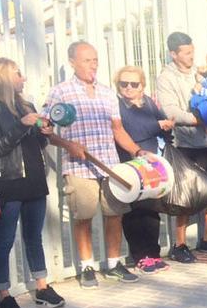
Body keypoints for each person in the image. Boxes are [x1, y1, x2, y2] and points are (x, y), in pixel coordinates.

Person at [44, 41, 143, 288]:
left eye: (95, 60)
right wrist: (69, 146)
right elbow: (45, 129)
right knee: (84, 217)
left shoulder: (108, 92)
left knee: (115, 216)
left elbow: (117, 130)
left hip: (109, 165)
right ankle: (87, 267)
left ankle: (113, 264)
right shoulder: (60, 92)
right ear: (73, 62)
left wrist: (137, 151)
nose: (93, 65)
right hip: (78, 168)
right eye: (87, 60)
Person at [0, 58, 66, 308]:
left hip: (34, 181)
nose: (24, 78)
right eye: (19, 73)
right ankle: (4, 295)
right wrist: (23, 124)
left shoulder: (25, 104)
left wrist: (44, 131)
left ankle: (41, 286)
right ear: (3, 77)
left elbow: (38, 144)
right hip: (8, 182)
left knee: (33, 236)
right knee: (5, 240)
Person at [157, 32, 207, 260]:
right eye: (187, 53)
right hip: (186, 144)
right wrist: (200, 119)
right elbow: (170, 111)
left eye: (192, 51)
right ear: (174, 54)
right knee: (185, 197)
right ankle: (180, 246)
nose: (192, 57)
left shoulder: (202, 72)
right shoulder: (166, 78)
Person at [113, 66, 174, 274]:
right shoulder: (118, 105)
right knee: (134, 213)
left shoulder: (147, 101)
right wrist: (157, 124)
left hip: (151, 163)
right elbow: (132, 130)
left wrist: (162, 127)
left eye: (134, 84)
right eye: (124, 84)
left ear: (142, 85)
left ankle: (153, 253)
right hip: (130, 164)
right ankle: (140, 256)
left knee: (152, 210)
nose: (128, 88)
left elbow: (166, 123)